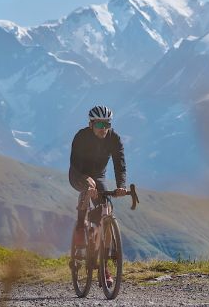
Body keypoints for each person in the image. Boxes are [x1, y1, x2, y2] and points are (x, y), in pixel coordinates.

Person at [69, 105, 127, 285]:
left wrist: (121, 186)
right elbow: (74, 163)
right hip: (78, 174)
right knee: (88, 192)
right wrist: (86, 180)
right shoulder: (81, 136)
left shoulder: (114, 138)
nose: (104, 129)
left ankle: (103, 265)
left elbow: (120, 163)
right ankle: (80, 232)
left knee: (106, 212)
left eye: (107, 124)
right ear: (91, 124)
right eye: (100, 125)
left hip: (99, 176)